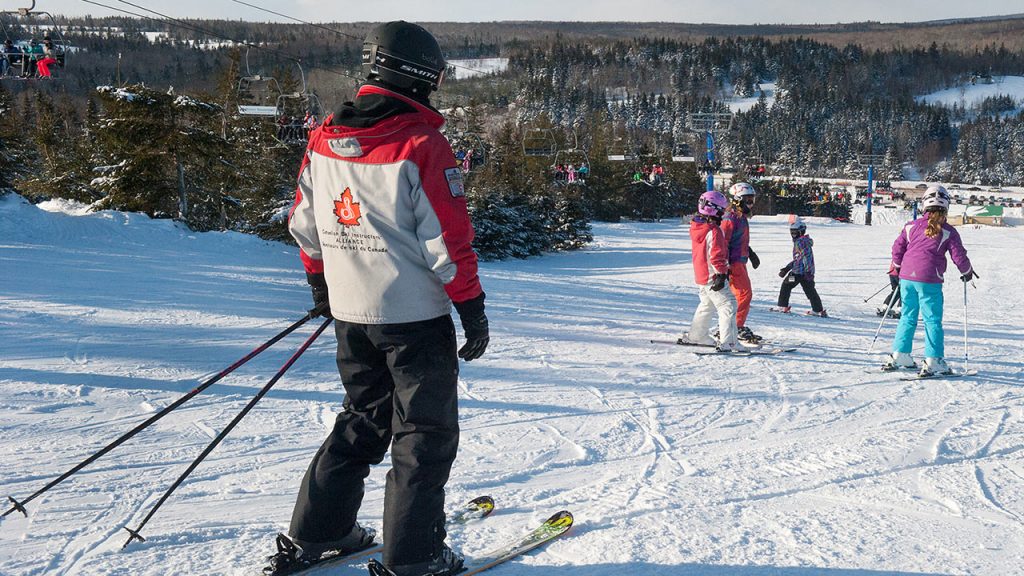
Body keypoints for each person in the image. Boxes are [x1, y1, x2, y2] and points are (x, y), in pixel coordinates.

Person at [268, 21, 488, 576]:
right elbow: (447, 238)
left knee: (364, 417)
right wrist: (470, 306)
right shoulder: (421, 143)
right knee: (423, 434)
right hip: (412, 317)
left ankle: (322, 531)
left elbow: (305, 221)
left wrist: (321, 283)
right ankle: (415, 558)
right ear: (418, 75)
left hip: (352, 313)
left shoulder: (324, 137)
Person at [882, 185, 975, 376]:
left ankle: (901, 354)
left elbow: (897, 248)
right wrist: (967, 272)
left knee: (908, 315)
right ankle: (934, 359)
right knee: (932, 320)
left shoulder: (911, 226)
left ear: (924, 205)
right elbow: (959, 256)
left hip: (907, 277)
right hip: (929, 279)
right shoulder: (948, 231)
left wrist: (898, 268)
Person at [686, 190, 739, 351]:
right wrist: (721, 274)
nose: (723, 214)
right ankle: (729, 342)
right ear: (713, 209)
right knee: (728, 305)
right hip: (712, 275)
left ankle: (697, 335)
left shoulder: (697, 227)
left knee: (706, 304)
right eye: (722, 210)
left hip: (701, 275)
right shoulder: (714, 231)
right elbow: (716, 256)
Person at [721, 182, 761, 343]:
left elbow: (738, 240)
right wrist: (724, 266)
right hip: (733, 263)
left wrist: (750, 253)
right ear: (737, 200)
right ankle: (734, 327)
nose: (751, 204)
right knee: (744, 294)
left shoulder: (740, 217)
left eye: (752, 200)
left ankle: (733, 325)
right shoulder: (730, 218)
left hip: (740, 261)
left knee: (738, 296)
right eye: (748, 200)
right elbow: (723, 242)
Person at [776, 220, 826, 316]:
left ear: (801, 231)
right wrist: (786, 268)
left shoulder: (800, 242)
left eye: (795, 232)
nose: (793, 234)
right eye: (792, 232)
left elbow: (806, 258)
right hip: (805, 273)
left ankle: (783, 306)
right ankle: (818, 310)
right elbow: (798, 259)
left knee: (786, 285)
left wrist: (807, 272)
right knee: (810, 290)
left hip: (798, 273)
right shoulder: (803, 241)